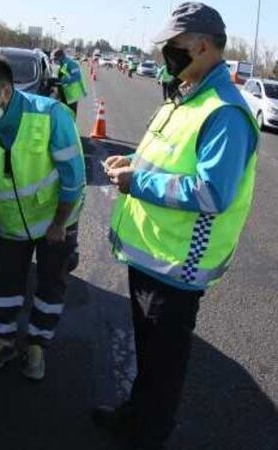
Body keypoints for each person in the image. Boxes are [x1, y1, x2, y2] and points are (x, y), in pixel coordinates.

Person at [97, 3, 260, 450]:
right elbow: (169, 160)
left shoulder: (223, 111)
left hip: (177, 266)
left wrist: (138, 181)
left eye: (174, 47)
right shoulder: (186, 95)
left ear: (203, 47)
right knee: (149, 360)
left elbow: (212, 193)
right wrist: (132, 163)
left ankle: (148, 435)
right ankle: (135, 416)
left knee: (163, 369)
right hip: (151, 255)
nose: (165, 55)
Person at [0, 54, 86, 381]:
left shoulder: (51, 115)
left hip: (56, 222)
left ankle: (38, 346)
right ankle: (4, 341)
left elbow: (74, 178)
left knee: (50, 285)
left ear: (6, 91)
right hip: (13, 225)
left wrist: (59, 224)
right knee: (7, 285)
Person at [51, 48, 87, 116]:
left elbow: (77, 77)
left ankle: (71, 126)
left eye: (56, 59)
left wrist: (63, 80)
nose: (55, 61)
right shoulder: (63, 64)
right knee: (64, 113)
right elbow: (62, 75)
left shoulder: (71, 64)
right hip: (65, 93)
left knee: (71, 114)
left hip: (72, 94)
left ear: (61, 57)